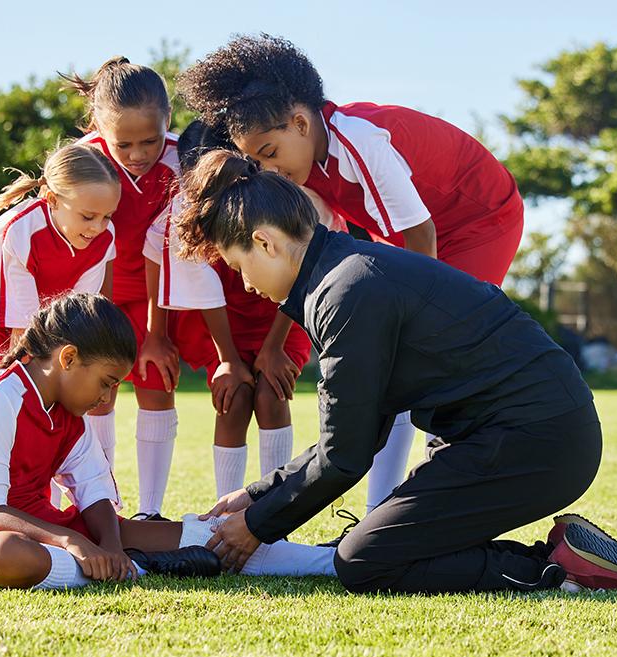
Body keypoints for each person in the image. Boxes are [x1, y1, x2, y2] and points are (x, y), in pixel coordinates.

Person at [176, 150, 617, 594]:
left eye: (237, 265)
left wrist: (257, 524)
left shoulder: (346, 290)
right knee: (381, 539)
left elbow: (345, 455)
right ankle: (570, 552)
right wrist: (256, 494)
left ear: (265, 243)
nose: (244, 284)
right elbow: (353, 436)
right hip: (513, 431)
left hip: (537, 438)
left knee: (363, 561)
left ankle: (558, 567)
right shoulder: (345, 271)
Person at [177, 34, 527, 518]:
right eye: (254, 161)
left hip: (476, 218)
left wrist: (412, 322)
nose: (266, 169)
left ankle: (420, 492)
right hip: (415, 232)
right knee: (389, 364)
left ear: (301, 123)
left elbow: (420, 235)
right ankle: (381, 507)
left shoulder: (358, 139)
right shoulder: (304, 168)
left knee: (424, 355)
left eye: (269, 151)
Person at [0, 293, 338, 590]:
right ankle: (145, 567)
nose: (106, 399)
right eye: (105, 384)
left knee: (212, 535)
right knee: (5, 557)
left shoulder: (70, 411)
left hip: (55, 531)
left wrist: (109, 545)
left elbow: (93, 493)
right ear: (68, 359)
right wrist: (75, 542)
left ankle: (331, 561)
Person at [144, 120, 312, 499]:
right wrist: (229, 360)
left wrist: (272, 350)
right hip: (216, 321)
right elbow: (193, 283)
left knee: (272, 390)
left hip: (281, 314)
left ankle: (273, 509)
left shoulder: (279, 196)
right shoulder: (184, 213)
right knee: (233, 397)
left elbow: (300, 271)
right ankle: (226, 509)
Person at [63, 57, 185, 520]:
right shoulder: (82, 160)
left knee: (156, 382)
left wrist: (158, 332)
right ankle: (99, 503)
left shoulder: (182, 159)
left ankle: (150, 511)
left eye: (150, 140)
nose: (138, 154)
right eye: (125, 144)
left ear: (168, 122)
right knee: (96, 391)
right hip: (94, 292)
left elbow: (170, 250)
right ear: (98, 126)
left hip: (161, 294)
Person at [0, 142, 119, 400]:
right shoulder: (20, 230)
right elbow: (23, 330)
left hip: (42, 304)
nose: (98, 227)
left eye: (107, 216)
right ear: (52, 200)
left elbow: (76, 309)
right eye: (87, 216)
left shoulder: (105, 239)